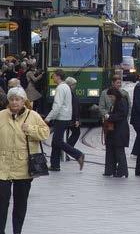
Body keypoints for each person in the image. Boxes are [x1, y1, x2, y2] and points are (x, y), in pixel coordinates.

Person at [0, 86, 49, 234]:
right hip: (3, 166)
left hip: (24, 166)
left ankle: (17, 231)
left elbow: (45, 133)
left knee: (20, 204)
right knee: (2, 203)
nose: (14, 102)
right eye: (12, 99)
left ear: (23, 101)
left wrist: (30, 129)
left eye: (18, 99)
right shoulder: (1, 115)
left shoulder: (33, 115)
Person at [45, 69, 85, 171]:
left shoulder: (60, 88)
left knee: (58, 141)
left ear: (58, 76)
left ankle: (78, 155)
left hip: (61, 117)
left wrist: (48, 118)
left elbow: (57, 105)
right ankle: (55, 165)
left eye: (53, 76)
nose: (52, 78)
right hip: (66, 117)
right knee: (55, 141)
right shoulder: (66, 87)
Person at [103, 88, 130, 177]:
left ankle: (122, 171)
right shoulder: (117, 102)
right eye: (109, 97)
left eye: (111, 97)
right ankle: (110, 170)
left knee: (119, 151)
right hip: (114, 131)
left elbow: (122, 115)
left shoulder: (121, 102)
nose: (110, 99)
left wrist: (109, 116)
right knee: (111, 150)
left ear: (115, 95)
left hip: (120, 131)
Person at [65, 77, 80, 149]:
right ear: (70, 85)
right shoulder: (69, 94)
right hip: (70, 118)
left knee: (71, 133)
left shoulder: (69, 93)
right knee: (76, 133)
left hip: (69, 118)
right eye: (74, 85)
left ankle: (67, 149)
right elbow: (74, 107)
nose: (75, 86)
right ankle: (68, 149)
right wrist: (76, 119)